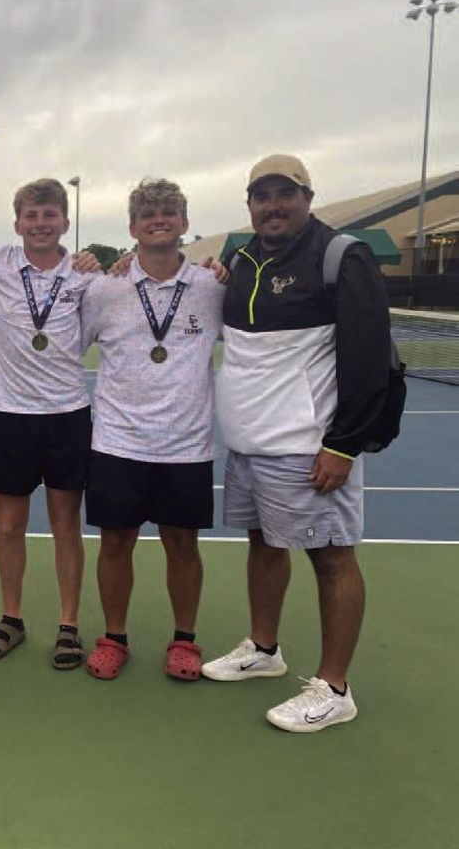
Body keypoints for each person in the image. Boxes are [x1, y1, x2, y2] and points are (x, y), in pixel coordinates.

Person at [203, 155, 390, 732]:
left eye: (285, 194)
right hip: (250, 447)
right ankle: (264, 650)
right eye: (262, 196)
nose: (273, 205)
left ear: (308, 196)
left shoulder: (341, 256)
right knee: (263, 543)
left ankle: (334, 688)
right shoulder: (244, 260)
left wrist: (343, 445)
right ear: (250, 205)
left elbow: (369, 359)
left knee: (332, 558)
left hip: (309, 448)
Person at [80, 179, 224, 681]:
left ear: (184, 222)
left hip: (186, 446)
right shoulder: (105, 290)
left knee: (182, 547)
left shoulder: (213, 288)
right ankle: (113, 637)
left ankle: (184, 640)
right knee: (114, 544)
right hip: (118, 441)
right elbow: (68, 346)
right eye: (148, 214)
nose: (158, 220)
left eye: (168, 212)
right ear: (132, 228)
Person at [0, 178, 100, 669]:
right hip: (9, 417)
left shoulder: (86, 277)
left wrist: (118, 263)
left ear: (65, 220)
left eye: (50, 215)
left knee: (67, 526)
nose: (40, 224)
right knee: (9, 526)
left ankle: (68, 626)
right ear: (17, 222)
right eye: (31, 216)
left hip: (66, 416)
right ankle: (12, 619)